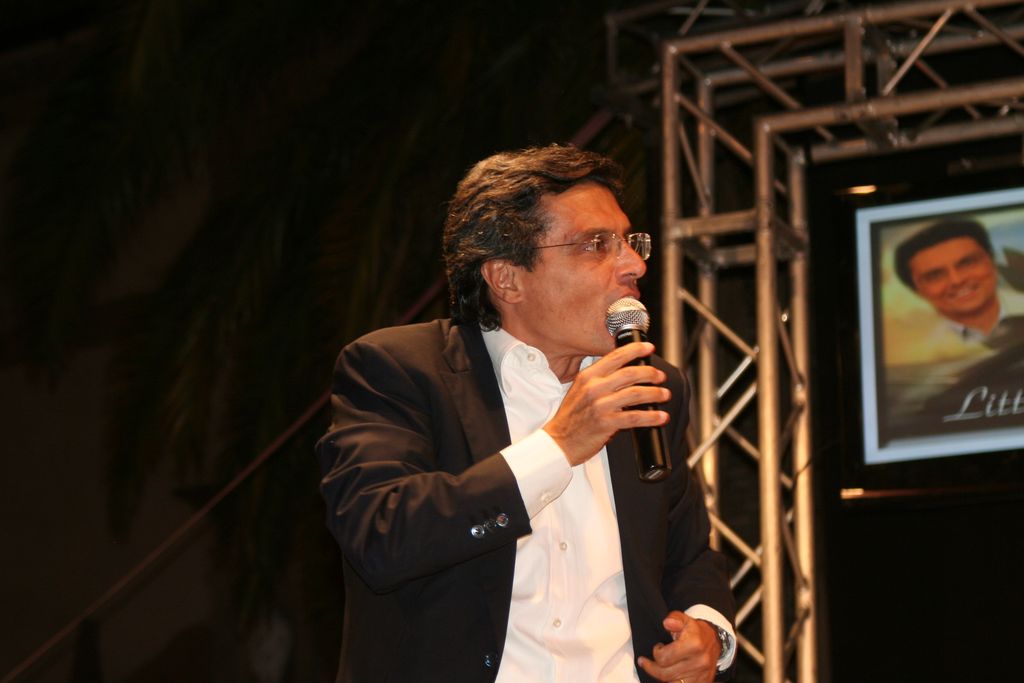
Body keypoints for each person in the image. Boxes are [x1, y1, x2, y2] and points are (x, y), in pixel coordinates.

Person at [316, 144, 736, 683]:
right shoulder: (401, 369)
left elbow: (688, 554)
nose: (635, 265)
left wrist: (708, 630)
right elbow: (382, 536)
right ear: (507, 278)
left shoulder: (651, 384)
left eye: (629, 241)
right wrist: (557, 447)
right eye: (596, 245)